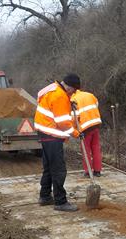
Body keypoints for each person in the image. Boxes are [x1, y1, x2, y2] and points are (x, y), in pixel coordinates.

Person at [34, 74, 81, 212]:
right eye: (73, 90)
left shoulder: (53, 88)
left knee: (48, 167)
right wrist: (77, 133)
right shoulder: (60, 96)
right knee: (59, 169)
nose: (74, 93)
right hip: (52, 134)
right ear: (69, 86)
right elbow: (63, 123)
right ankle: (60, 202)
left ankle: (45, 197)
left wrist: (68, 102)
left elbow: (46, 101)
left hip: (44, 132)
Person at [71, 90, 102, 177]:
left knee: (86, 150)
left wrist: (75, 130)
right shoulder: (90, 95)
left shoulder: (74, 99)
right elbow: (96, 105)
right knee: (96, 148)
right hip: (96, 124)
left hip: (85, 128)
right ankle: (97, 171)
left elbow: (74, 117)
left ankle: (88, 171)